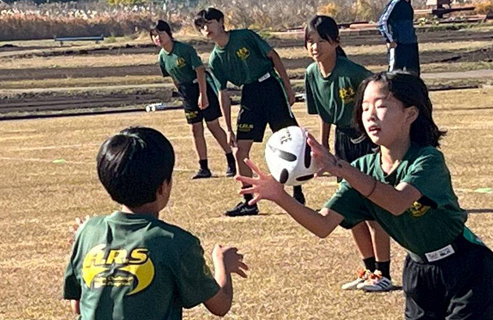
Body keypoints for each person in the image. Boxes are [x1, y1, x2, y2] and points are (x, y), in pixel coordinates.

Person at [238, 71, 493, 320]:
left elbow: (396, 202)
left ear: (410, 114)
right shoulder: (363, 168)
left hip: (467, 270)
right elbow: (322, 225)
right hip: (420, 276)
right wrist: (280, 196)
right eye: (364, 107)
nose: (369, 115)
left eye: (381, 105)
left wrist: (339, 167)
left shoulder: (427, 160)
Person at [54, 127, 249, 320]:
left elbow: (79, 307)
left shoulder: (88, 231)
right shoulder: (176, 242)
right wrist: (222, 263)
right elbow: (220, 305)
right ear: (163, 186)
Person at [304, 15, 392, 292]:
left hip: (364, 140)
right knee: (349, 208)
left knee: (373, 210)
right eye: (310, 41)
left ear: (336, 42)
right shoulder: (311, 73)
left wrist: (379, 139)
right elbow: (324, 114)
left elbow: (381, 98)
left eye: (322, 41)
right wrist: (323, 146)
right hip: (342, 141)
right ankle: (368, 270)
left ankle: (384, 273)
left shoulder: (353, 72)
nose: (315, 47)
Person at [194, 7, 305, 217]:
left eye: (209, 23)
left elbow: (273, 56)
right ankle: (249, 202)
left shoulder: (244, 36)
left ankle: (297, 192)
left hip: (270, 87)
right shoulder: (215, 59)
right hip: (250, 95)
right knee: (240, 151)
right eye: (201, 27)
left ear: (221, 22)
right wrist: (228, 129)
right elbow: (223, 93)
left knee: (290, 141)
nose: (205, 29)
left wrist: (288, 88)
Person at [150, 20, 237, 179]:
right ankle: (203, 167)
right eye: (154, 35)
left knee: (213, 125)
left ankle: (231, 160)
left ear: (169, 33)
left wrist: (203, 94)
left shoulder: (184, 49)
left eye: (161, 33)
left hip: (201, 87)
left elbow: (200, 70)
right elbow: (173, 77)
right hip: (187, 93)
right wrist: (183, 94)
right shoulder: (162, 57)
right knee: (195, 129)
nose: (158, 38)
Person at [378, 0, 421, 75]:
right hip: (398, 44)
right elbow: (382, 22)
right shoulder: (395, 3)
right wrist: (390, 40)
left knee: (413, 74)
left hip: (411, 44)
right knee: (394, 73)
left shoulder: (407, 5)